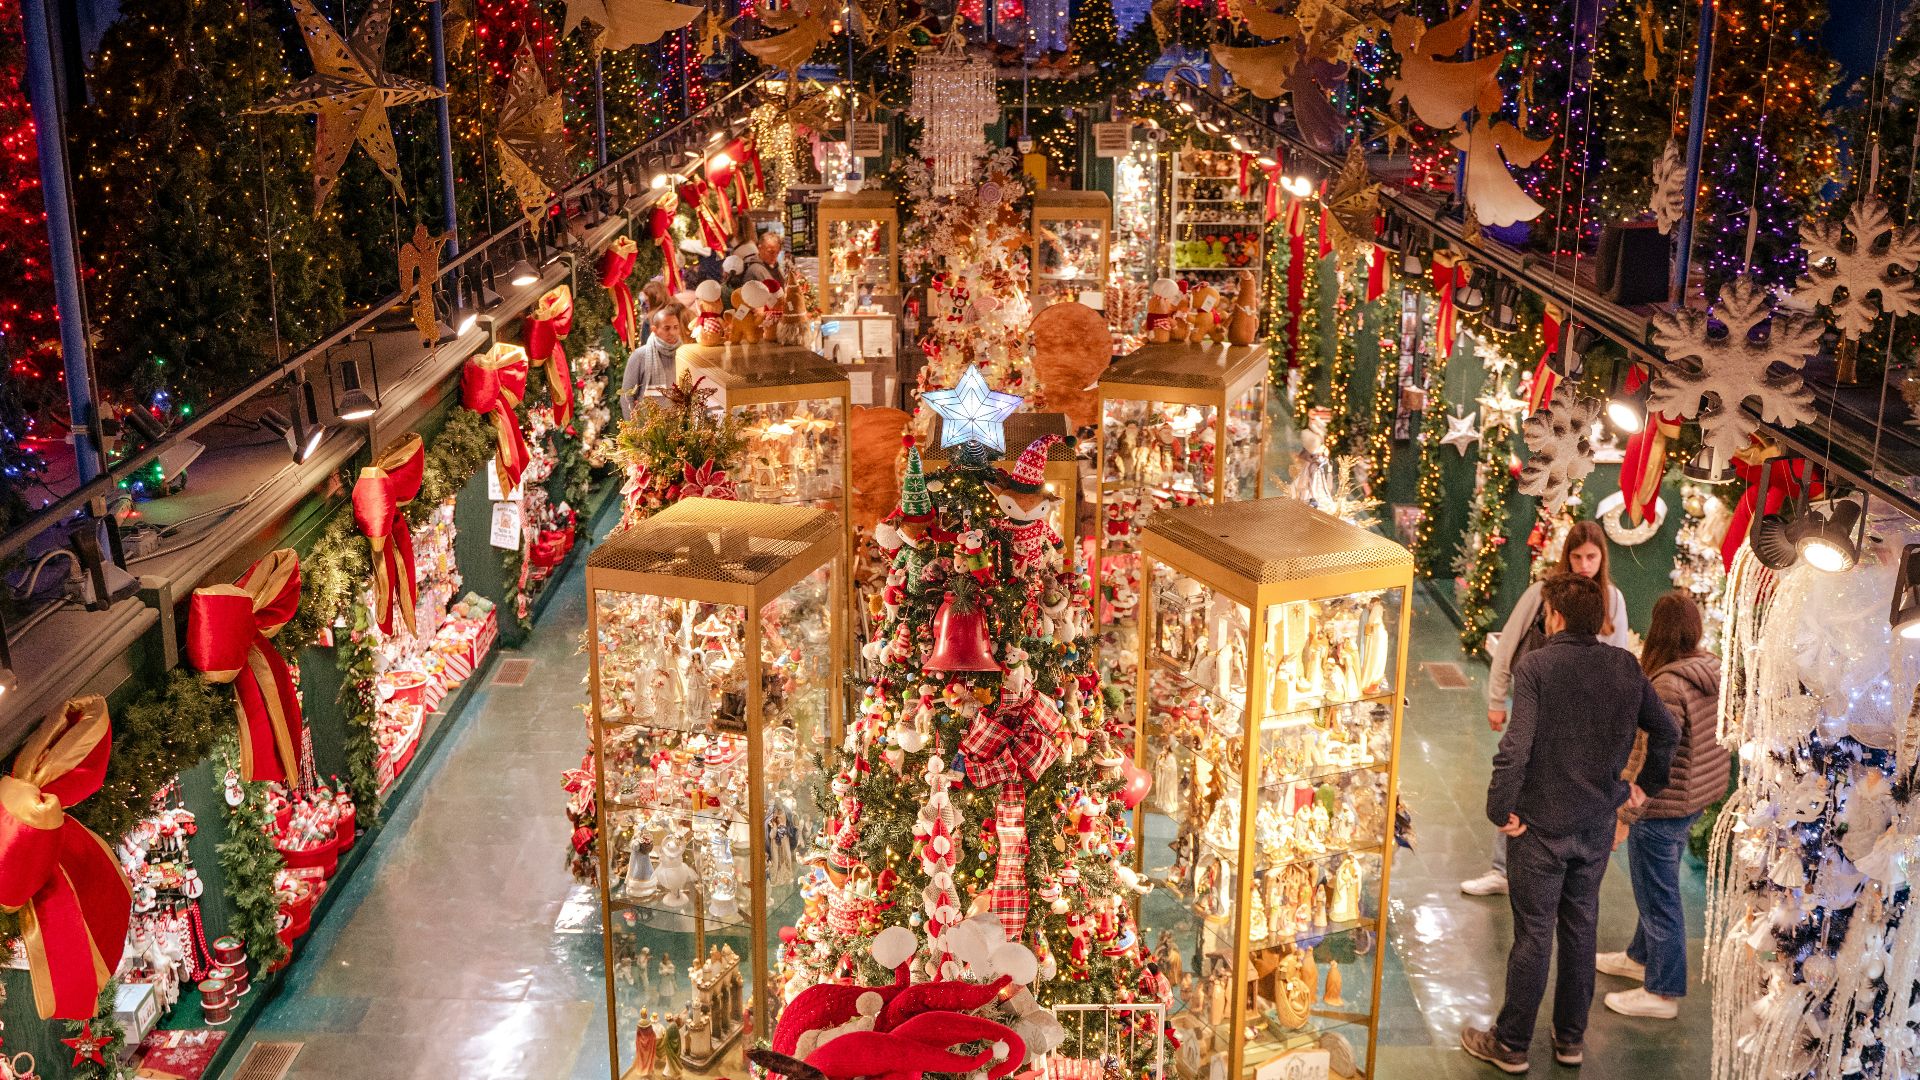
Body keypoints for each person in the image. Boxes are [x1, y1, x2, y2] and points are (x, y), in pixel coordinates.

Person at [1461, 574, 1679, 1074]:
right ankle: (1570, 1041)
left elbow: (1516, 749)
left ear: (1555, 617)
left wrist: (1500, 809)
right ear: (1599, 618)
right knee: (1581, 929)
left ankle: (1512, 1044)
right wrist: (1644, 784)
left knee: (1534, 934)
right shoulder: (1625, 666)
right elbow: (1667, 730)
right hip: (1597, 824)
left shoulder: (1538, 666)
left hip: (1540, 827)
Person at [1461, 519, 1632, 897]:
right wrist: (1495, 698)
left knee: (1568, 783)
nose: (1584, 564)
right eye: (1577, 556)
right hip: (1535, 703)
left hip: (1584, 716)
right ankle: (1501, 869)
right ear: (1566, 556)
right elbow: (1509, 641)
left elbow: (1617, 660)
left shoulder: (1613, 600)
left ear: (1602, 557)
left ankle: (1557, 865)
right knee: (1518, 772)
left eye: (1591, 556)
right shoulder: (1542, 593)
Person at [1597, 591, 1727, 1020]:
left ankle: (1663, 991)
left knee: (1659, 896)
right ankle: (1639, 957)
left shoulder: (1667, 683)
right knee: (1656, 885)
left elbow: (1652, 753)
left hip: (1663, 803)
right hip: (1694, 797)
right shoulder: (1710, 669)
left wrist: (1625, 813)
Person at [622, 304, 683, 418]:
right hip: (646, 426)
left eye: (676, 327)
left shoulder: (683, 353)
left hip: (678, 425)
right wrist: (632, 429)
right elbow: (627, 396)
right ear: (654, 330)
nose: (673, 332)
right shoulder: (640, 356)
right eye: (667, 328)